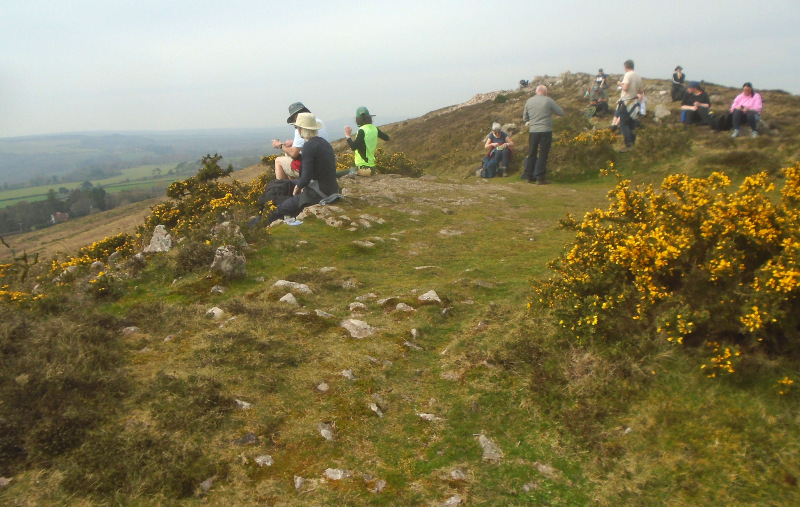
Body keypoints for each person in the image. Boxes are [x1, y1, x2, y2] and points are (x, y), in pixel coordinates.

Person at [266, 113, 339, 224]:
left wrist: (298, 187)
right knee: (286, 184)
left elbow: (306, 176)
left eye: (297, 127)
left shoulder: (308, 146)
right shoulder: (324, 143)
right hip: (331, 189)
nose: (297, 130)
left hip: (318, 193)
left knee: (279, 210)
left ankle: (259, 225)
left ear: (302, 129)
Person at [270, 102, 329, 180]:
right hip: (323, 164)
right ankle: (296, 185)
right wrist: (293, 142)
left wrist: (280, 145)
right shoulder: (318, 122)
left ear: (295, 116)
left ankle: (283, 189)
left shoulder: (301, 127)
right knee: (287, 156)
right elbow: (310, 140)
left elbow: (294, 153)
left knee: (278, 161)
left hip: (311, 168)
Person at [521, 85, 564, 184]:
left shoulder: (529, 101)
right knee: (543, 154)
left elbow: (524, 118)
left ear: (536, 91)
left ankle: (529, 176)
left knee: (532, 153)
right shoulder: (548, 100)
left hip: (533, 131)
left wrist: (531, 121)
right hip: (546, 130)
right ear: (545, 91)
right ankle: (540, 178)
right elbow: (561, 112)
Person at [337, 106, 390, 177]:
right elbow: (387, 138)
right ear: (369, 117)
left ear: (358, 119)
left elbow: (353, 147)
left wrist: (348, 135)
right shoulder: (375, 129)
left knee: (335, 174)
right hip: (372, 168)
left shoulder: (362, 131)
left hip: (363, 168)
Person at [614, 59, 643, 153]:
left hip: (626, 101)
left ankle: (628, 145)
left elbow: (625, 88)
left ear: (626, 67)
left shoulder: (628, 75)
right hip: (634, 102)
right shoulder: (638, 76)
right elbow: (640, 91)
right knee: (632, 124)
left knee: (623, 124)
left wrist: (620, 84)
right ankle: (633, 143)